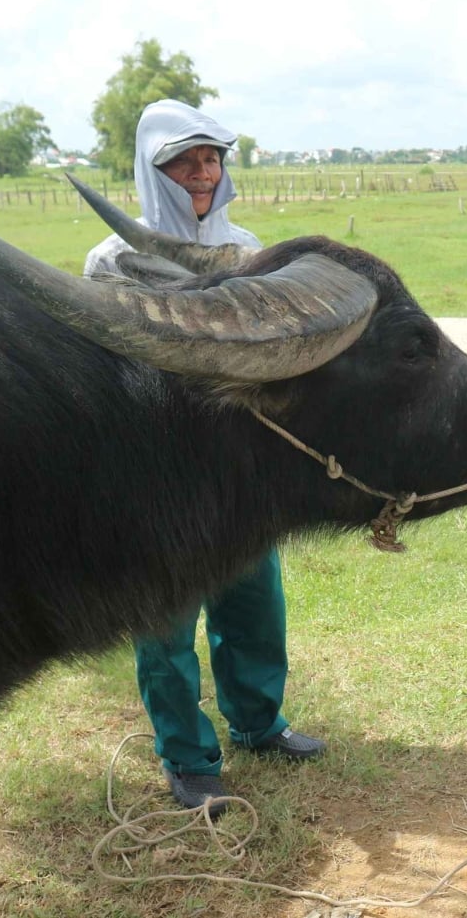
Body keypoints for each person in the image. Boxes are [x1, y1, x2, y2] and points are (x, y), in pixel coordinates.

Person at [84, 99, 325, 817]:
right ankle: (188, 759)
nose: (200, 174)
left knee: (254, 603)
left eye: (210, 158)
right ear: (152, 170)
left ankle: (258, 721)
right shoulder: (113, 262)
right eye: (183, 161)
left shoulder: (248, 251)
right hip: (156, 480)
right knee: (165, 624)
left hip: (243, 470)